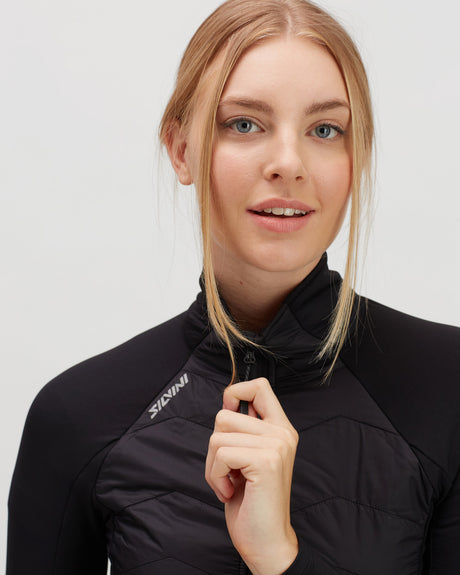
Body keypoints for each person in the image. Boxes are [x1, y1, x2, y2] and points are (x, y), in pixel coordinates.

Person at [6, 0, 460, 573]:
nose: (288, 163)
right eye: (244, 124)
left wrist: (277, 558)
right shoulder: (77, 415)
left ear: (358, 155)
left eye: (325, 129)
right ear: (181, 150)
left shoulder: (448, 387)